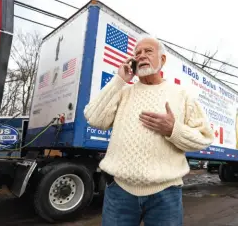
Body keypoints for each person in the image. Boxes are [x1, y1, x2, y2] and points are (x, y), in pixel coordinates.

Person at [84, 34, 214, 226]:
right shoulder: (123, 93)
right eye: (137, 53)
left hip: (166, 195)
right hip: (120, 192)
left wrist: (173, 130)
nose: (141, 56)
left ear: (162, 60)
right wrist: (119, 80)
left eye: (148, 51)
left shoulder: (181, 95)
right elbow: (94, 118)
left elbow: (204, 137)